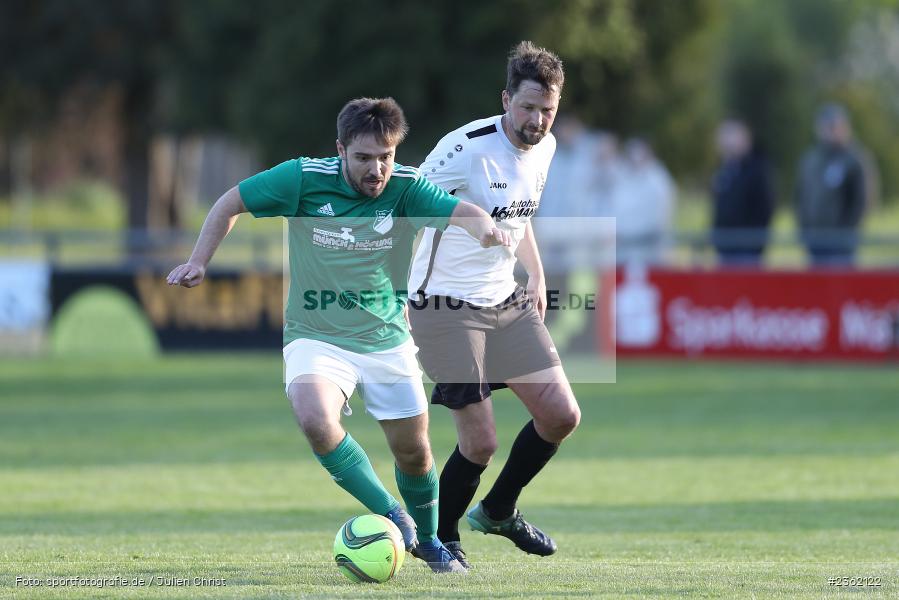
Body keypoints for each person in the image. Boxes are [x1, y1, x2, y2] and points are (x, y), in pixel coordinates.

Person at [166, 97, 512, 574]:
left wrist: (487, 229)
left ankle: (431, 542)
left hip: (386, 335)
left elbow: (461, 211)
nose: (377, 169)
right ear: (341, 150)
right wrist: (199, 261)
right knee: (314, 417)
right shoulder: (303, 180)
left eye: (386, 157)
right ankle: (392, 513)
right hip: (315, 332)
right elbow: (231, 202)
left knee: (414, 452)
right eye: (364, 158)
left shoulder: (408, 188)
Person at [407, 42, 581, 568]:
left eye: (547, 110)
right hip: (444, 304)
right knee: (480, 441)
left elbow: (517, 216)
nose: (537, 120)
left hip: (504, 298)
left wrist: (536, 269)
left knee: (561, 415)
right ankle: (440, 539)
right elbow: (411, 203)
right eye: (527, 107)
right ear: (506, 99)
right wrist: (468, 221)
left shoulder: (545, 148)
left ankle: (499, 510)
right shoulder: (466, 148)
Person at [796, 104, 867, 267]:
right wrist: (804, 229)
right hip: (814, 241)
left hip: (841, 244)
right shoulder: (811, 159)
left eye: (835, 126)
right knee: (816, 289)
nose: (830, 131)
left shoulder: (854, 159)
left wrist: (845, 232)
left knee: (841, 289)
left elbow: (860, 201)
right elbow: (799, 196)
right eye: (826, 126)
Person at [710, 119, 775, 266]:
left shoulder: (757, 168)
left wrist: (754, 243)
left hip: (747, 250)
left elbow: (765, 207)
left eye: (728, 135)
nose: (723, 141)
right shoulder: (726, 169)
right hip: (725, 247)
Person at [610, 137, 676, 266]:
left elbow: (660, 214)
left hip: (649, 248)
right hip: (623, 248)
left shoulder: (658, 179)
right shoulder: (622, 176)